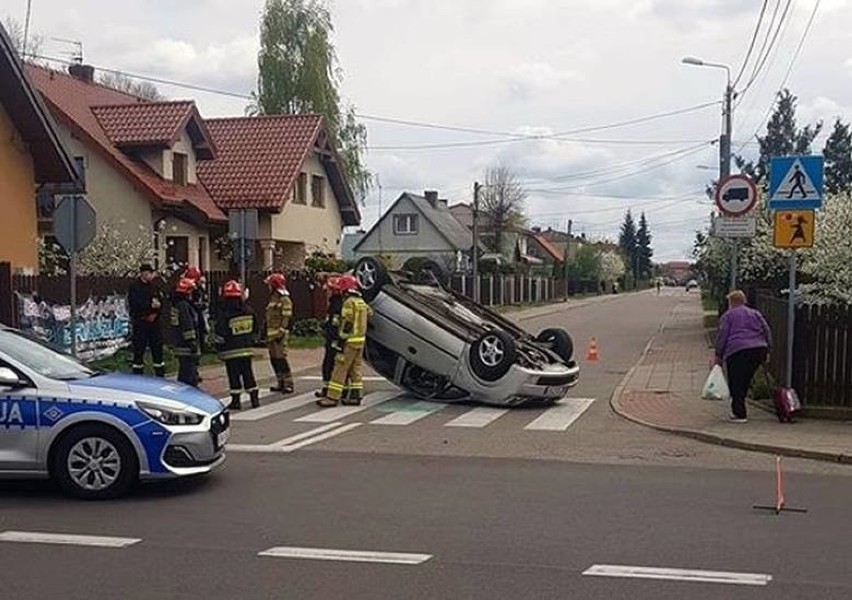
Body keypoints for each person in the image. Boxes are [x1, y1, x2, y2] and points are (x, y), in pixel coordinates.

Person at [715, 290, 772, 423]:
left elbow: (723, 336)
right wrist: (768, 348)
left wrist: (718, 354)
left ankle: (739, 413)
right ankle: (740, 407)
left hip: (737, 351)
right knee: (746, 379)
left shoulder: (728, 316)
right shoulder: (755, 313)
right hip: (758, 349)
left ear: (731, 302)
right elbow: (766, 330)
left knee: (736, 382)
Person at [317, 274, 372, 408]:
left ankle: (332, 398)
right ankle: (355, 396)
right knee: (355, 369)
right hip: (360, 341)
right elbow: (370, 314)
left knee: (339, 369)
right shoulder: (361, 302)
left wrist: (341, 340)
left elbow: (347, 322)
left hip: (348, 341)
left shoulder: (348, 302)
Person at [214, 280, 260, 411]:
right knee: (248, 374)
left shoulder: (226, 314)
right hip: (246, 350)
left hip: (231, 352)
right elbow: (256, 329)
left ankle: (236, 401)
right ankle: (254, 399)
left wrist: (218, 347)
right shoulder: (249, 311)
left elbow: (220, 333)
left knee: (234, 376)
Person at [127, 263, 165, 376]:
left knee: (157, 348)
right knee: (139, 350)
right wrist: (149, 306)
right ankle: (137, 374)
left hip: (154, 323)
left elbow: (160, 302)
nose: (151, 276)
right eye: (149, 273)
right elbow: (135, 304)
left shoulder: (154, 287)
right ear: (143, 273)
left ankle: (160, 374)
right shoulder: (134, 287)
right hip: (140, 323)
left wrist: (156, 312)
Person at [315, 275, 348, 399]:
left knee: (330, 365)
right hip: (332, 339)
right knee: (330, 364)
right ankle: (329, 388)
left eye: (330, 289)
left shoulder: (337, 304)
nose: (328, 291)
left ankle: (332, 390)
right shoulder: (335, 302)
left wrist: (335, 340)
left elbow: (336, 325)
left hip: (334, 340)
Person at [264, 272, 294, 394]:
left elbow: (287, 317)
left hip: (279, 335)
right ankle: (280, 382)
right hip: (271, 335)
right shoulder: (272, 298)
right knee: (274, 360)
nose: (268, 287)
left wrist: (281, 332)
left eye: (270, 284)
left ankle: (288, 383)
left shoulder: (284, 299)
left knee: (281, 359)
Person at [168, 277, 201, 386]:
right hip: (186, 346)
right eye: (191, 291)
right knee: (188, 375)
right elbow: (187, 325)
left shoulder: (178, 305)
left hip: (180, 344)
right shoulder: (184, 306)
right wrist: (192, 342)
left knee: (185, 371)